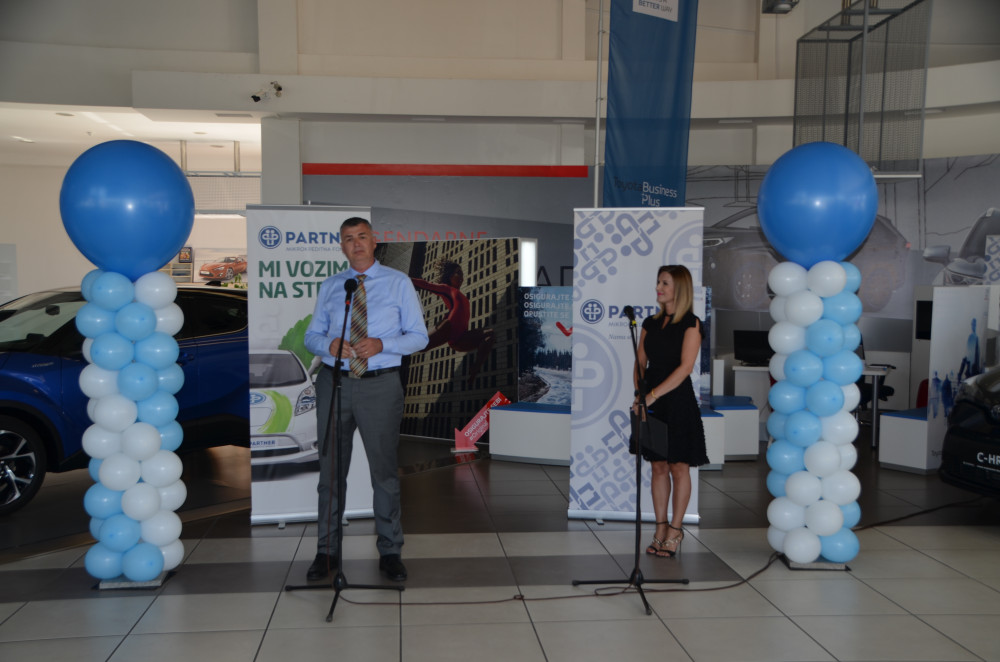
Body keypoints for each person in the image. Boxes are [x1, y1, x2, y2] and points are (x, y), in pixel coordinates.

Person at [304, 217, 429, 582]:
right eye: (348, 238)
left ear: (374, 242)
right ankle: (327, 552)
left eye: (362, 237)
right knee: (330, 473)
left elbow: (419, 336)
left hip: (380, 385)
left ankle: (390, 551)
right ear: (341, 246)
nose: (356, 243)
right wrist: (327, 344)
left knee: (384, 473)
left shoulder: (398, 282)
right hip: (334, 383)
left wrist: (382, 344)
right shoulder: (332, 286)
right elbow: (311, 336)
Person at [631, 264, 709, 558]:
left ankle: (676, 530)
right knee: (658, 466)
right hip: (651, 400)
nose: (658, 288)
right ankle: (660, 527)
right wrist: (640, 395)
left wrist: (651, 396)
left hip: (677, 401)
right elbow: (640, 364)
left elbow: (685, 368)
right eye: (658, 282)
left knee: (679, 466)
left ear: (680, 288)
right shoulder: (649, 324)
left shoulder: (691, 323)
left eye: (664, 283)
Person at [411, 258, 495, 387]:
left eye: (462, 274)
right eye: (458, 273)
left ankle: (475, 368)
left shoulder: (460, 295)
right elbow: (426, 285)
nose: (461, 277)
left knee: (490, 334)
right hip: (448, 329)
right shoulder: (447, 289)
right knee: (424, 343)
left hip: (461, 338)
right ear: (450, 276)